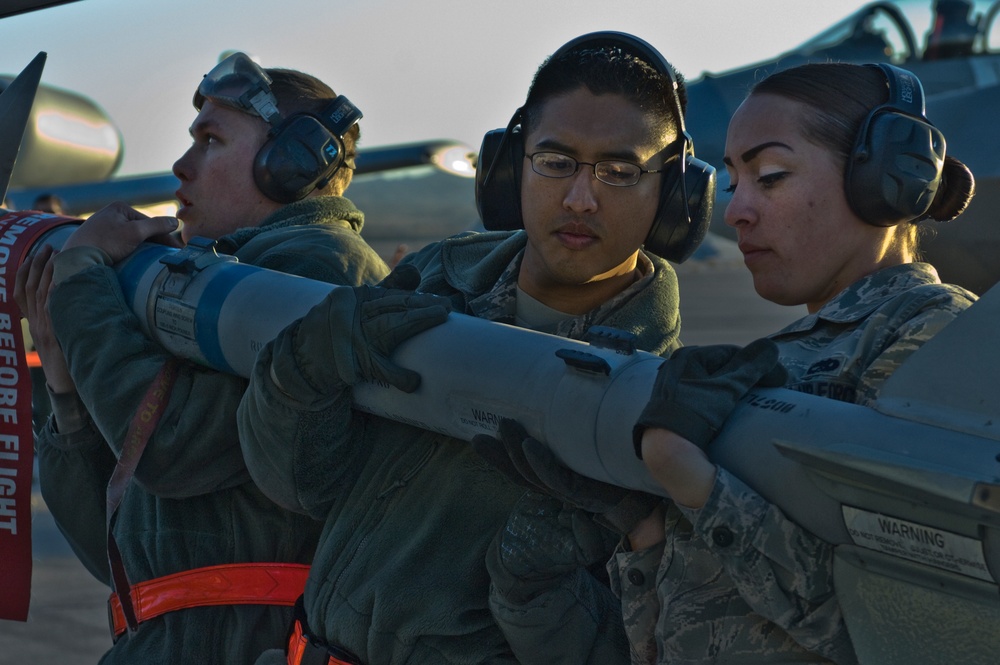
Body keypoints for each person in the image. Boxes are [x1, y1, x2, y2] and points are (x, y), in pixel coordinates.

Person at [236, 31, 733, 664]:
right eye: (555, 162)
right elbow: (300, 487)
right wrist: (299, 377)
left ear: (674, 195)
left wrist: (537, 589)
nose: (581, 198)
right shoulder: (429, 285)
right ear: (510, 168)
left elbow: (637, 650)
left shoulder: (656, 411)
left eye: (620, 172)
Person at [15, 52, 389, 663]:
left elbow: (170, 449)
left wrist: (82, 276)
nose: (180, 167)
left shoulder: (321, 271)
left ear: (289, 164)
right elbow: (116, 559)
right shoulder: (219, 283)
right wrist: (63, 378)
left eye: (211, 141)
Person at [621, 62, 977, 664]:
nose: (736, 213)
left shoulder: (940, 348)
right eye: (736, 182)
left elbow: (930, 631)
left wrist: (698, 487)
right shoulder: (793, 352)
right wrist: (644, 532)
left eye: (772, 175)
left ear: (884, 179)